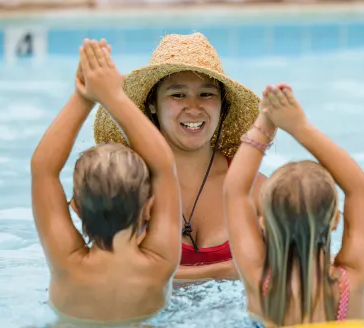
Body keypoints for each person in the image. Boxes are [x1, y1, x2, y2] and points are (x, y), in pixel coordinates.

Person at [30, 39, 181, 323]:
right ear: (150, 207)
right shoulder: (159, 264)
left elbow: (43, 169)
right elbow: (164, 167)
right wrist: (114, 97)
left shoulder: (67, 264)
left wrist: (83, 96)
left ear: (75, 207)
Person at [93, 33, 262, 280]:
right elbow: (113, 272)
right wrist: (227, 270)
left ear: (223, 106)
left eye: (206, 94)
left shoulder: (255, 188)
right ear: (152, 104)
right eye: (178, 95)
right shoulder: (126, 186)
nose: (194, 108)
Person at [224, 83, 364, 327]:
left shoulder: (259, 281)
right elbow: (358, 187)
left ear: (263, 223)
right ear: (336, 219)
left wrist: (265, 123)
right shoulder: (352, 282)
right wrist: (299, 127)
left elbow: (234, 191)